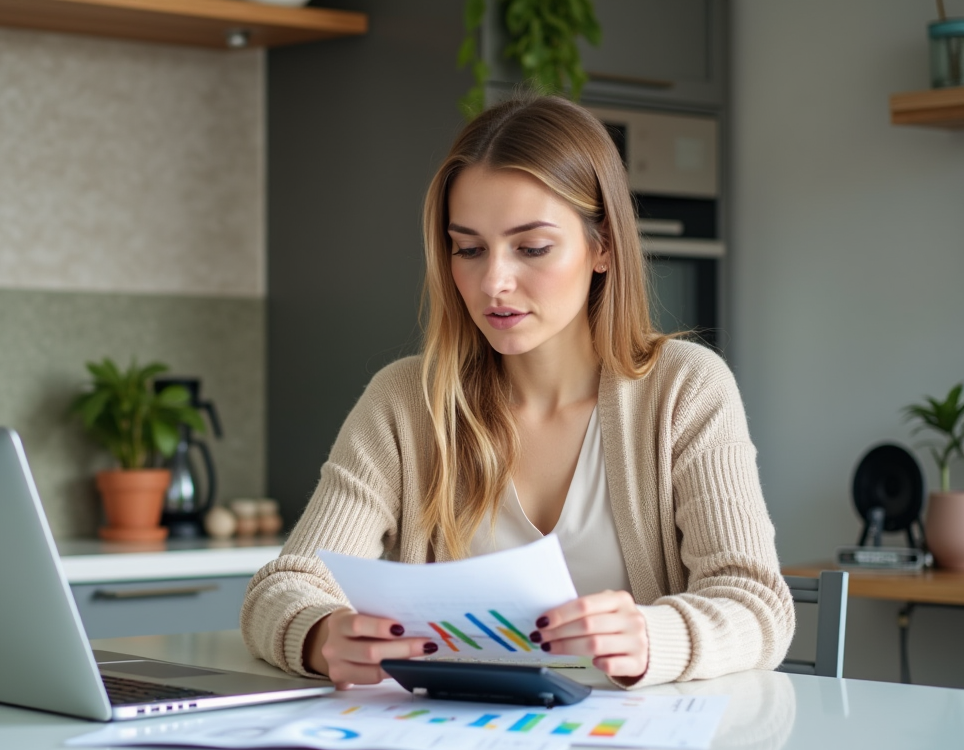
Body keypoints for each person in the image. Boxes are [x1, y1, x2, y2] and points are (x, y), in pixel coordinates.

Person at [241, 94, 794, 689]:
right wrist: (323, 634)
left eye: (532, 248)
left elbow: (757, 603)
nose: (493, 283)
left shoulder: (685, 389)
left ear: (603, 245)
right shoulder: (406, 403)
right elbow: (283, 585)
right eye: (469, 249)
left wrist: (650, 637)